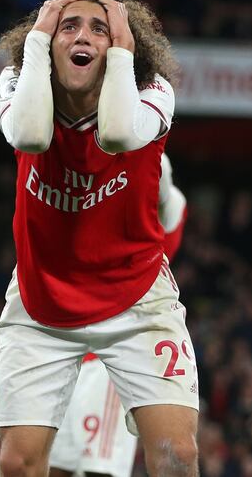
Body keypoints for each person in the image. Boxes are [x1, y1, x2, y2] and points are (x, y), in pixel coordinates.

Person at [0, 0, 199, 477]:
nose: (82, 35)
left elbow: (118, 135)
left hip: (136, 299)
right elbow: (30, 136)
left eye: (99, 28)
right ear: (44, 38)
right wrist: (38, 40)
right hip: (42, 301)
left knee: (178, 456)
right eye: (68, 26)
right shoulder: (16, 81)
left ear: (123, 44)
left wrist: (124, 51)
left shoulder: (153, 90)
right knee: (19, 464)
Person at [49, 153, 188, 477]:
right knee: (56, 466)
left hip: (109, 359)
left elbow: (163, 174)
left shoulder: (161, 218)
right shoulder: (98, 214)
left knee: (101, 468)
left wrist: (134, 142)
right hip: (68, 356)